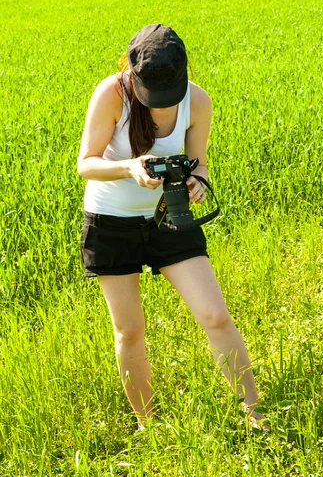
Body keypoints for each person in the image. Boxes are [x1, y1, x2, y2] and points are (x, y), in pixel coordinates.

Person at [78, 24, 269, 433]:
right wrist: (129, 168)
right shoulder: (111, 94)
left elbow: (197, 162)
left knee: (215, 315)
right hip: (111, 224)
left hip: (170, 215)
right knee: (129, 331)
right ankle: (149, 427)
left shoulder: (196, 100)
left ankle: (255, 415)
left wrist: (197, 180)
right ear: (131, 72)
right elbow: (85, 164)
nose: (162, 103)